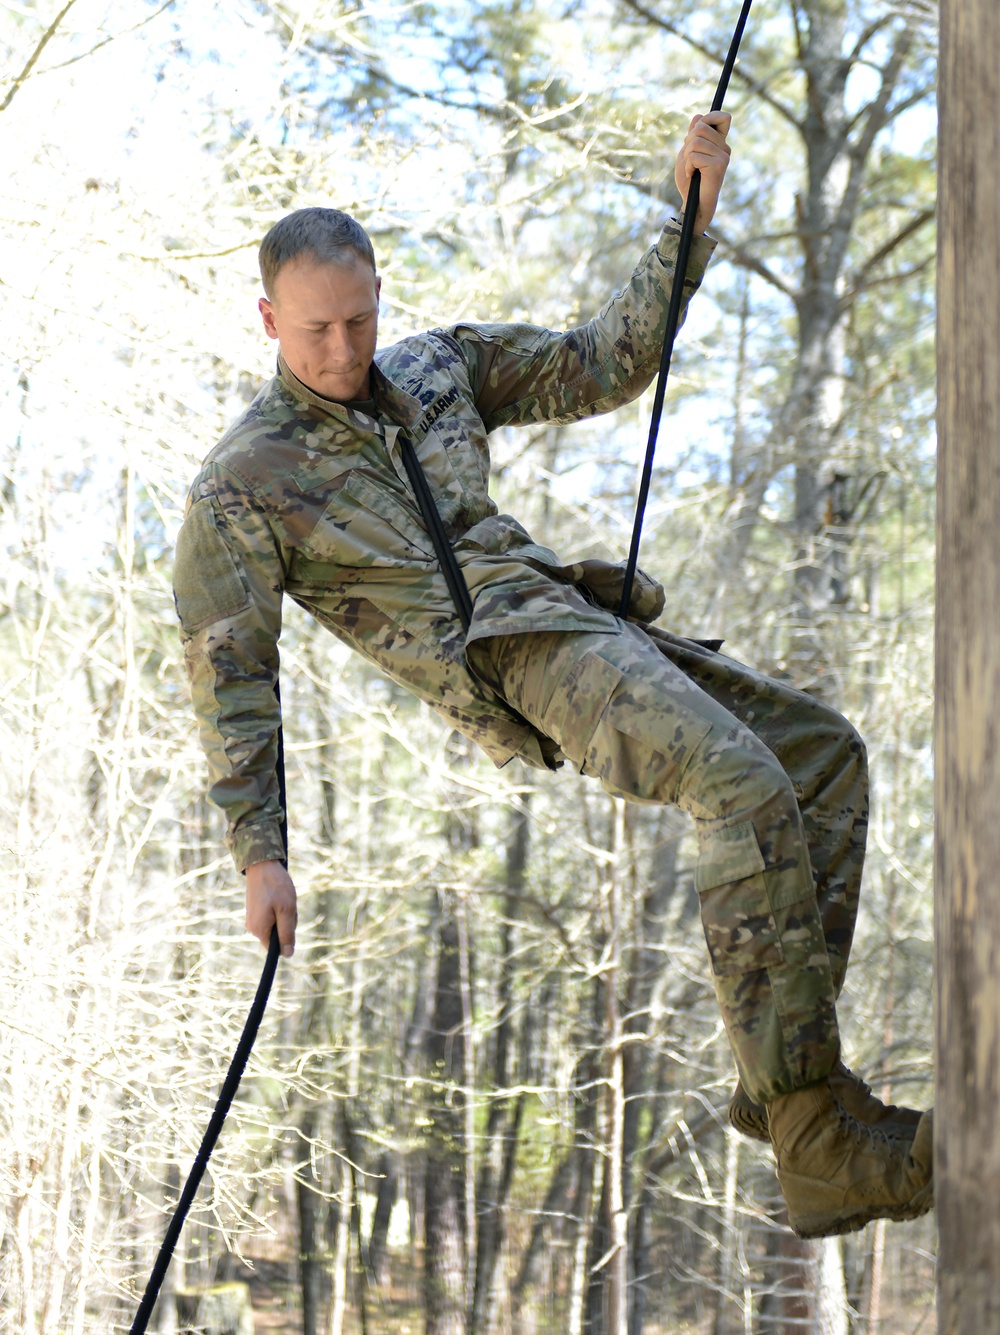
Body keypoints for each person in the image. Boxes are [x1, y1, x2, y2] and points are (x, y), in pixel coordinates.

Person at [173, 112, 933, 1238]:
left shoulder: (438, 368)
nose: (344, 348)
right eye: (317, 329)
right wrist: (261, 857)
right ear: (269, 319)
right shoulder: (242, 482)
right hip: (514, 661)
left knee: (821, 755)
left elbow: (603, 360)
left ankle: (798, 1107)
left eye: (361, 318)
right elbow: (231, 672)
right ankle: (815, 1132)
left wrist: (690, 213)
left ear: (382, 295)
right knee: (736, 782)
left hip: (578, 617)